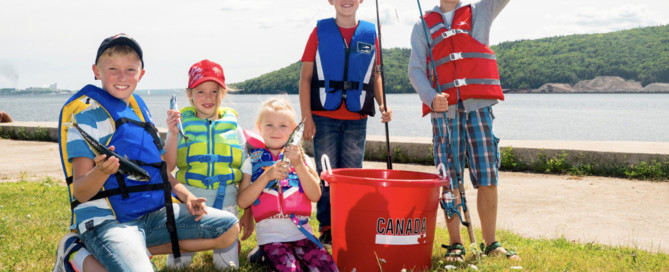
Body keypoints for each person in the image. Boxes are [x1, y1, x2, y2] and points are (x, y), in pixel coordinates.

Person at [53, 33, 240, 271]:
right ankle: (75, 253)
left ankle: (134, 252)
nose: (122, 77)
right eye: (113, 68)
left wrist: (188, 197)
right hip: (108, 222)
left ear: (141, 74)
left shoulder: (140, 115)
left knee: (228, 228)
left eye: (130, 70)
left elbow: (162, 171)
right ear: (97, 71)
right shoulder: (85, 119)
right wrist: (101, 172)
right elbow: (80, 191)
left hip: (151, 216)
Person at [408, 0, 519, 262]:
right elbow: (415, 69)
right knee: (450, 178)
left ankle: (491, 243)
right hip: (442, 112)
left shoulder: (481, 10)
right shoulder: (422, 25)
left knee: (487, 173)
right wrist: (431, 96)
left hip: (478, 108)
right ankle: (456, 243)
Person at [298, 0, 392, 245]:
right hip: (324, 118)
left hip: (356, 120)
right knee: (326, 176)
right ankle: (327, 226)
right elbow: (306, 77)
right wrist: (306, 118)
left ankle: (349, 223)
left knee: (352, 176)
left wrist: (382, 104)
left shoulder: (370, 34)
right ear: (331, 1)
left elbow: (376, 74)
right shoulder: (319, 31)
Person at [162, 59, 255, 269]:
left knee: (228, 267)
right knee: (175, 267)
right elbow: (167, 167)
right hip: (190, 204)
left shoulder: (235, 129)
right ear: (189, 94)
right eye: (201, 91)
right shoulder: (180, 126)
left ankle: (224, 245)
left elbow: (245, 172)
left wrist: (247, 213)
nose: (208, 98)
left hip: (227, 205)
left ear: (222, 93)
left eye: (214, 91)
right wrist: (173, 134)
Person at [238, 97, 338, 272]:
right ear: (260, 128)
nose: (276, 131)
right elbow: (242, 201)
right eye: (269, 125)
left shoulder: (303, 159)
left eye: (283, 126)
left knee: (328, 269)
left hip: (303, 235)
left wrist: (298, 165)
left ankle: (262, 257)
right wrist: (267, 176)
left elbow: (315, 195)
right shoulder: (251, 162)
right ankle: (262, 253)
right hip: (272, 239)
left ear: (293, 130)